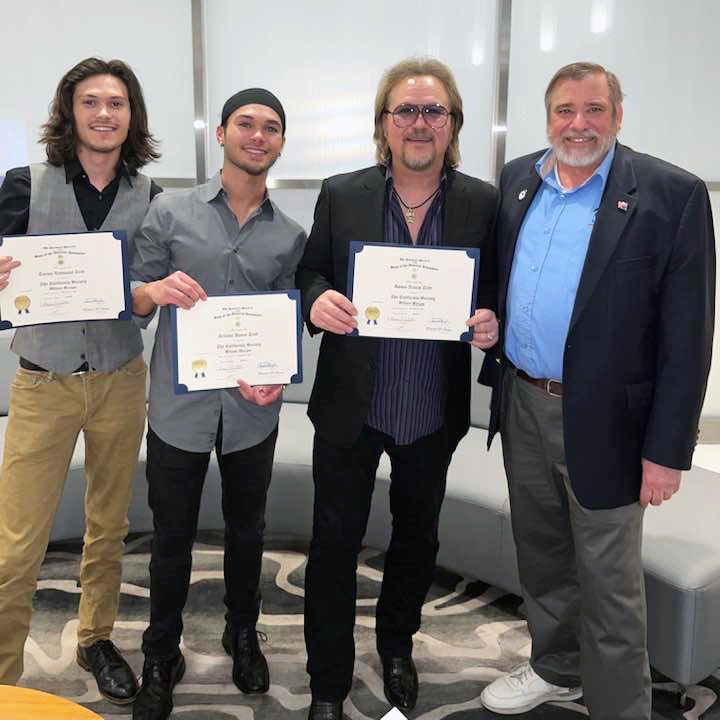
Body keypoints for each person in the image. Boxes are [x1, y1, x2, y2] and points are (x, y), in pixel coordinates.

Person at [479, 62, 715, 720]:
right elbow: (507, 279)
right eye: (564, 110)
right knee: (543, 555)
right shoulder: (518, 180)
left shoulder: (671, 194)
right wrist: (491, 319)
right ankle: (556, 668)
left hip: (612, 421)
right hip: (523, 402)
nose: (578, 124)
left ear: (618, 115)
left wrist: (667, 451)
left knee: (610, 584)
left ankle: (620, 706)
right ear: (547, 116)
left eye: (593, 110)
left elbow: (689, 337)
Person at [296, 57, 499, 720]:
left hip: (430, 409)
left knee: (417, 540)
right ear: (384, 123)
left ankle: (397, 648)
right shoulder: (341, 193)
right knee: (333, 546)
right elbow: (310, 272)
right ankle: (328, 683)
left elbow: (496, 287)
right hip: (350, 410)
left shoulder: (482, 202)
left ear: (453, 124)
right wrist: (317, 298)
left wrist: (491, 318)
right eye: (405, 110)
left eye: (433, 111)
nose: (419, 123)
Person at [130, 88, 307, 720]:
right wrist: (155, 289)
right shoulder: (170, 211)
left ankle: (242, 631)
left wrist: (276, 376)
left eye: (271, 127)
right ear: (223, 134)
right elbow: (134, 296)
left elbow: (285, 317)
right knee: (170, 537)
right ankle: (161, 653)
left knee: (247, 530)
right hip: (178, 408)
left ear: (280, 142)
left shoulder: (290, 234)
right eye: (246, 124)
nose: (258, 136)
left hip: (251, 414)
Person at [0, 57, 161, 704]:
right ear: (69, 111)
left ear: (131, 115)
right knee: (15, 546)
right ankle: (4, 678)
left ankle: (96, 638)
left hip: (120, 379)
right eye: (90, 101)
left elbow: (144, 290)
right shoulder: (23, 184)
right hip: (44, 384)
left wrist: (149, 294)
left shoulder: (152, 196)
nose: (103, 113)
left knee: (109, 526)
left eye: (116, 103)